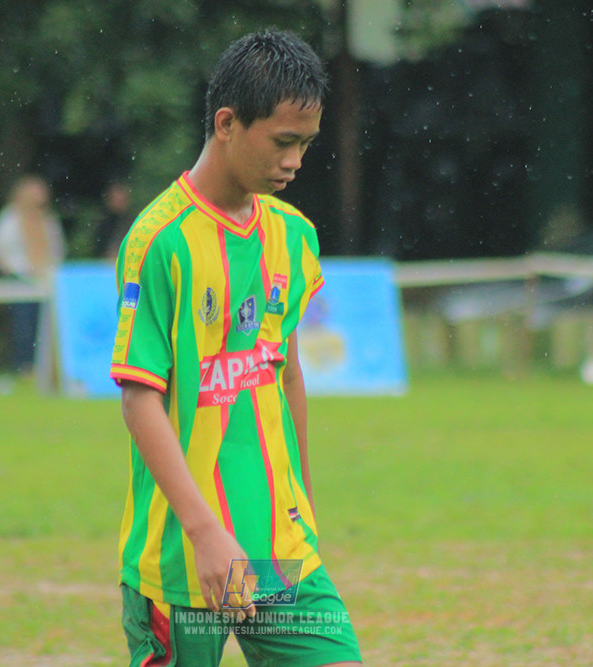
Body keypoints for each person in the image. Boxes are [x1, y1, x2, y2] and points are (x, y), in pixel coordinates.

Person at [109, 30, 362, 666]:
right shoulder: (160, 241)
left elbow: (288, 376)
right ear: (227, 123)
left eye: (305, 145)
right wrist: (204, 531)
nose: (296, 161)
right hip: (183, 562)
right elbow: (142, 401)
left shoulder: (293, 235)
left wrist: (301, 495)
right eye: (283, 141)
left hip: (282, 555)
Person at [0, 174, 66, 373]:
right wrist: (12, 272)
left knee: (46, 327)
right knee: (23, 326)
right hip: (19, 279)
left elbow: (57, 249)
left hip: (46, 281)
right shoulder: (10, 218)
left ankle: (44, 369)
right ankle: (23, 366)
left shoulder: (47, 219)